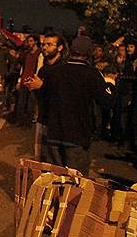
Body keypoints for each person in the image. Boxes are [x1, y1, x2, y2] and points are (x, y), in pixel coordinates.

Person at [27, 36, 110, 174]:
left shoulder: (55, 71)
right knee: (75, 183)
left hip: (54, 134)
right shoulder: (92, 74)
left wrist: (40, 88)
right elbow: (107, 101)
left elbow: (44, 100)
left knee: (54, 180)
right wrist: (110, 83)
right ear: (89, 54)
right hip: (77, 137)